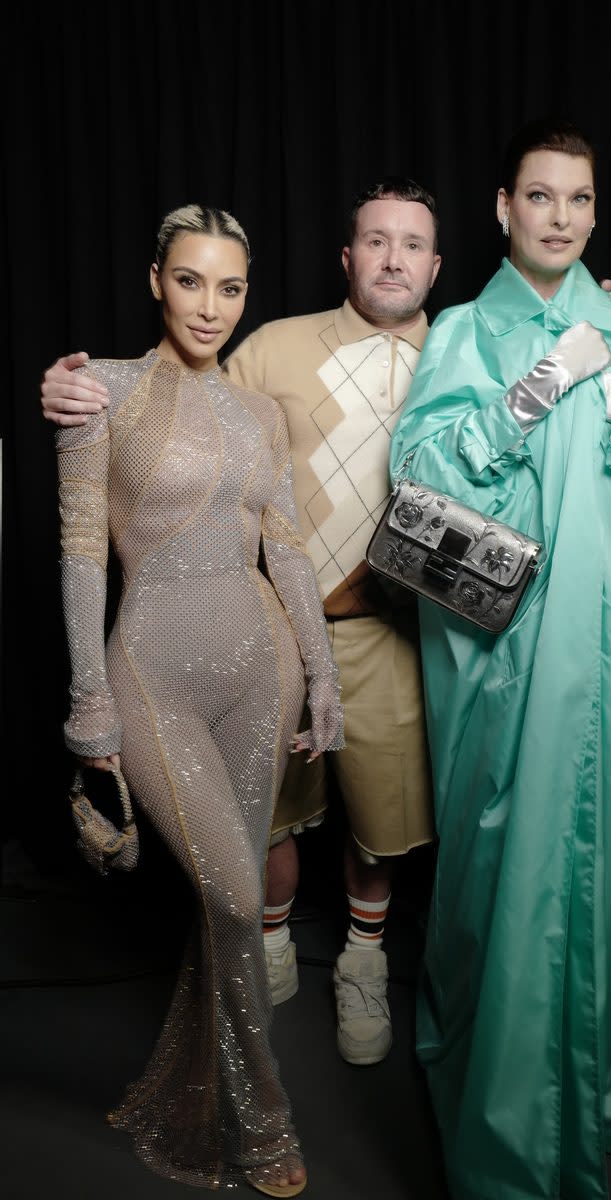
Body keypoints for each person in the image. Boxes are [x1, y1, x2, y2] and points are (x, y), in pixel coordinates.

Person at [41, 177, 611, 1069]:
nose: (394, 259)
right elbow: (178, 403)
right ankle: (273, 934)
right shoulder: (271, 349)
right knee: (274, 819)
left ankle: (364, 960)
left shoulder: (468, 349)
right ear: (347, 255)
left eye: (413, 245)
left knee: (383, 815)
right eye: (376, 241)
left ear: (438, 264)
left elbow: (549, 371)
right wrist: (71, 389)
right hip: (267, 632)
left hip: (398, 634)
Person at [388, 120, 611, 1200]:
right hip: (512, 663)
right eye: (537, 197)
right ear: (501, 208)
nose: (557, 217)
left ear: (594, 213)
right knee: (515, 871)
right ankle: (514, 1106)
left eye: (576, 201)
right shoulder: (460, 331)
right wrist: (542, 383)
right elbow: (418, 483)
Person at [56, 203, 345, 1197]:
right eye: (190, 280)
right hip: (152, 676)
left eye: (229, 287)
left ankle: (194, 1083)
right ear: (155, 280)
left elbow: (289, 549)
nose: (209, 306)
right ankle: (262, 1127)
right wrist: (87, 700)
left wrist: (320, 671)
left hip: (258, 668)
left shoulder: (263, 414)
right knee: (229, 895)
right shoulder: (105, 393)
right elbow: (83, 549)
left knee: (236, 908)